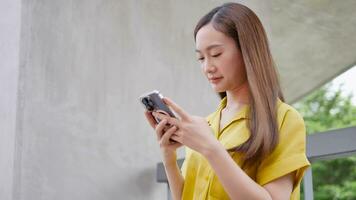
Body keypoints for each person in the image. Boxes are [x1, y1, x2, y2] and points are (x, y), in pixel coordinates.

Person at [144, 2, 310, 200]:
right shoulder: (207, 124)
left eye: (216, 54)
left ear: (247, 51)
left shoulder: (284, 119)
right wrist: (168, 157)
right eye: (201, 58)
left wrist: (210, 148)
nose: (207, 67)